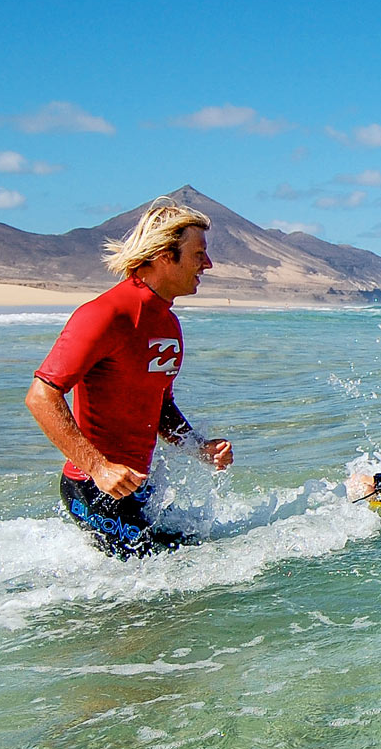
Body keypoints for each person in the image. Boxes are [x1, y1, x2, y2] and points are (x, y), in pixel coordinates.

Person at [26, 198, 233, 556]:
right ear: (165, 256)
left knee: (200, 555)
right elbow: (41, 396)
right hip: (93, 490)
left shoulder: (168, 324)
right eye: (199, 254)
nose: (208, 264)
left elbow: (160, 405)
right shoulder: (106, 315)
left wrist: (198, 446)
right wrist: (99, 467)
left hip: (140, 487)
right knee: (167, 578)